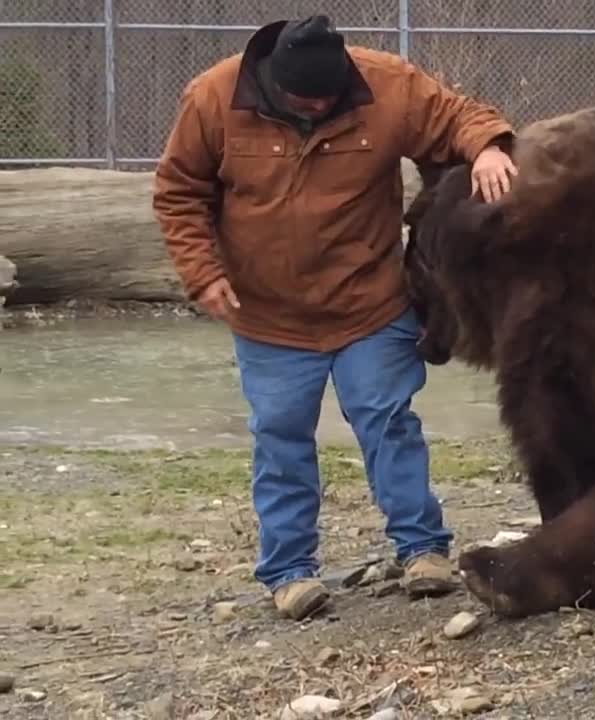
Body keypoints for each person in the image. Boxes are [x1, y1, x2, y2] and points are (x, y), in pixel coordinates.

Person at [152, 14, 518, 621]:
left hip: (369, 299)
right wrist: (203, 273)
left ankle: (423, 549)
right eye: (307, 99)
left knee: (388, 421)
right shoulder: (215, 96)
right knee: (281, 436)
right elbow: (179, 191)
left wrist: (486, 149)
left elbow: (460, 116)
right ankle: (289, 570)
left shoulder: (385, 84)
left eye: (330, 96)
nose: (321, 105)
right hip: (269, 313)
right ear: (274, 82)